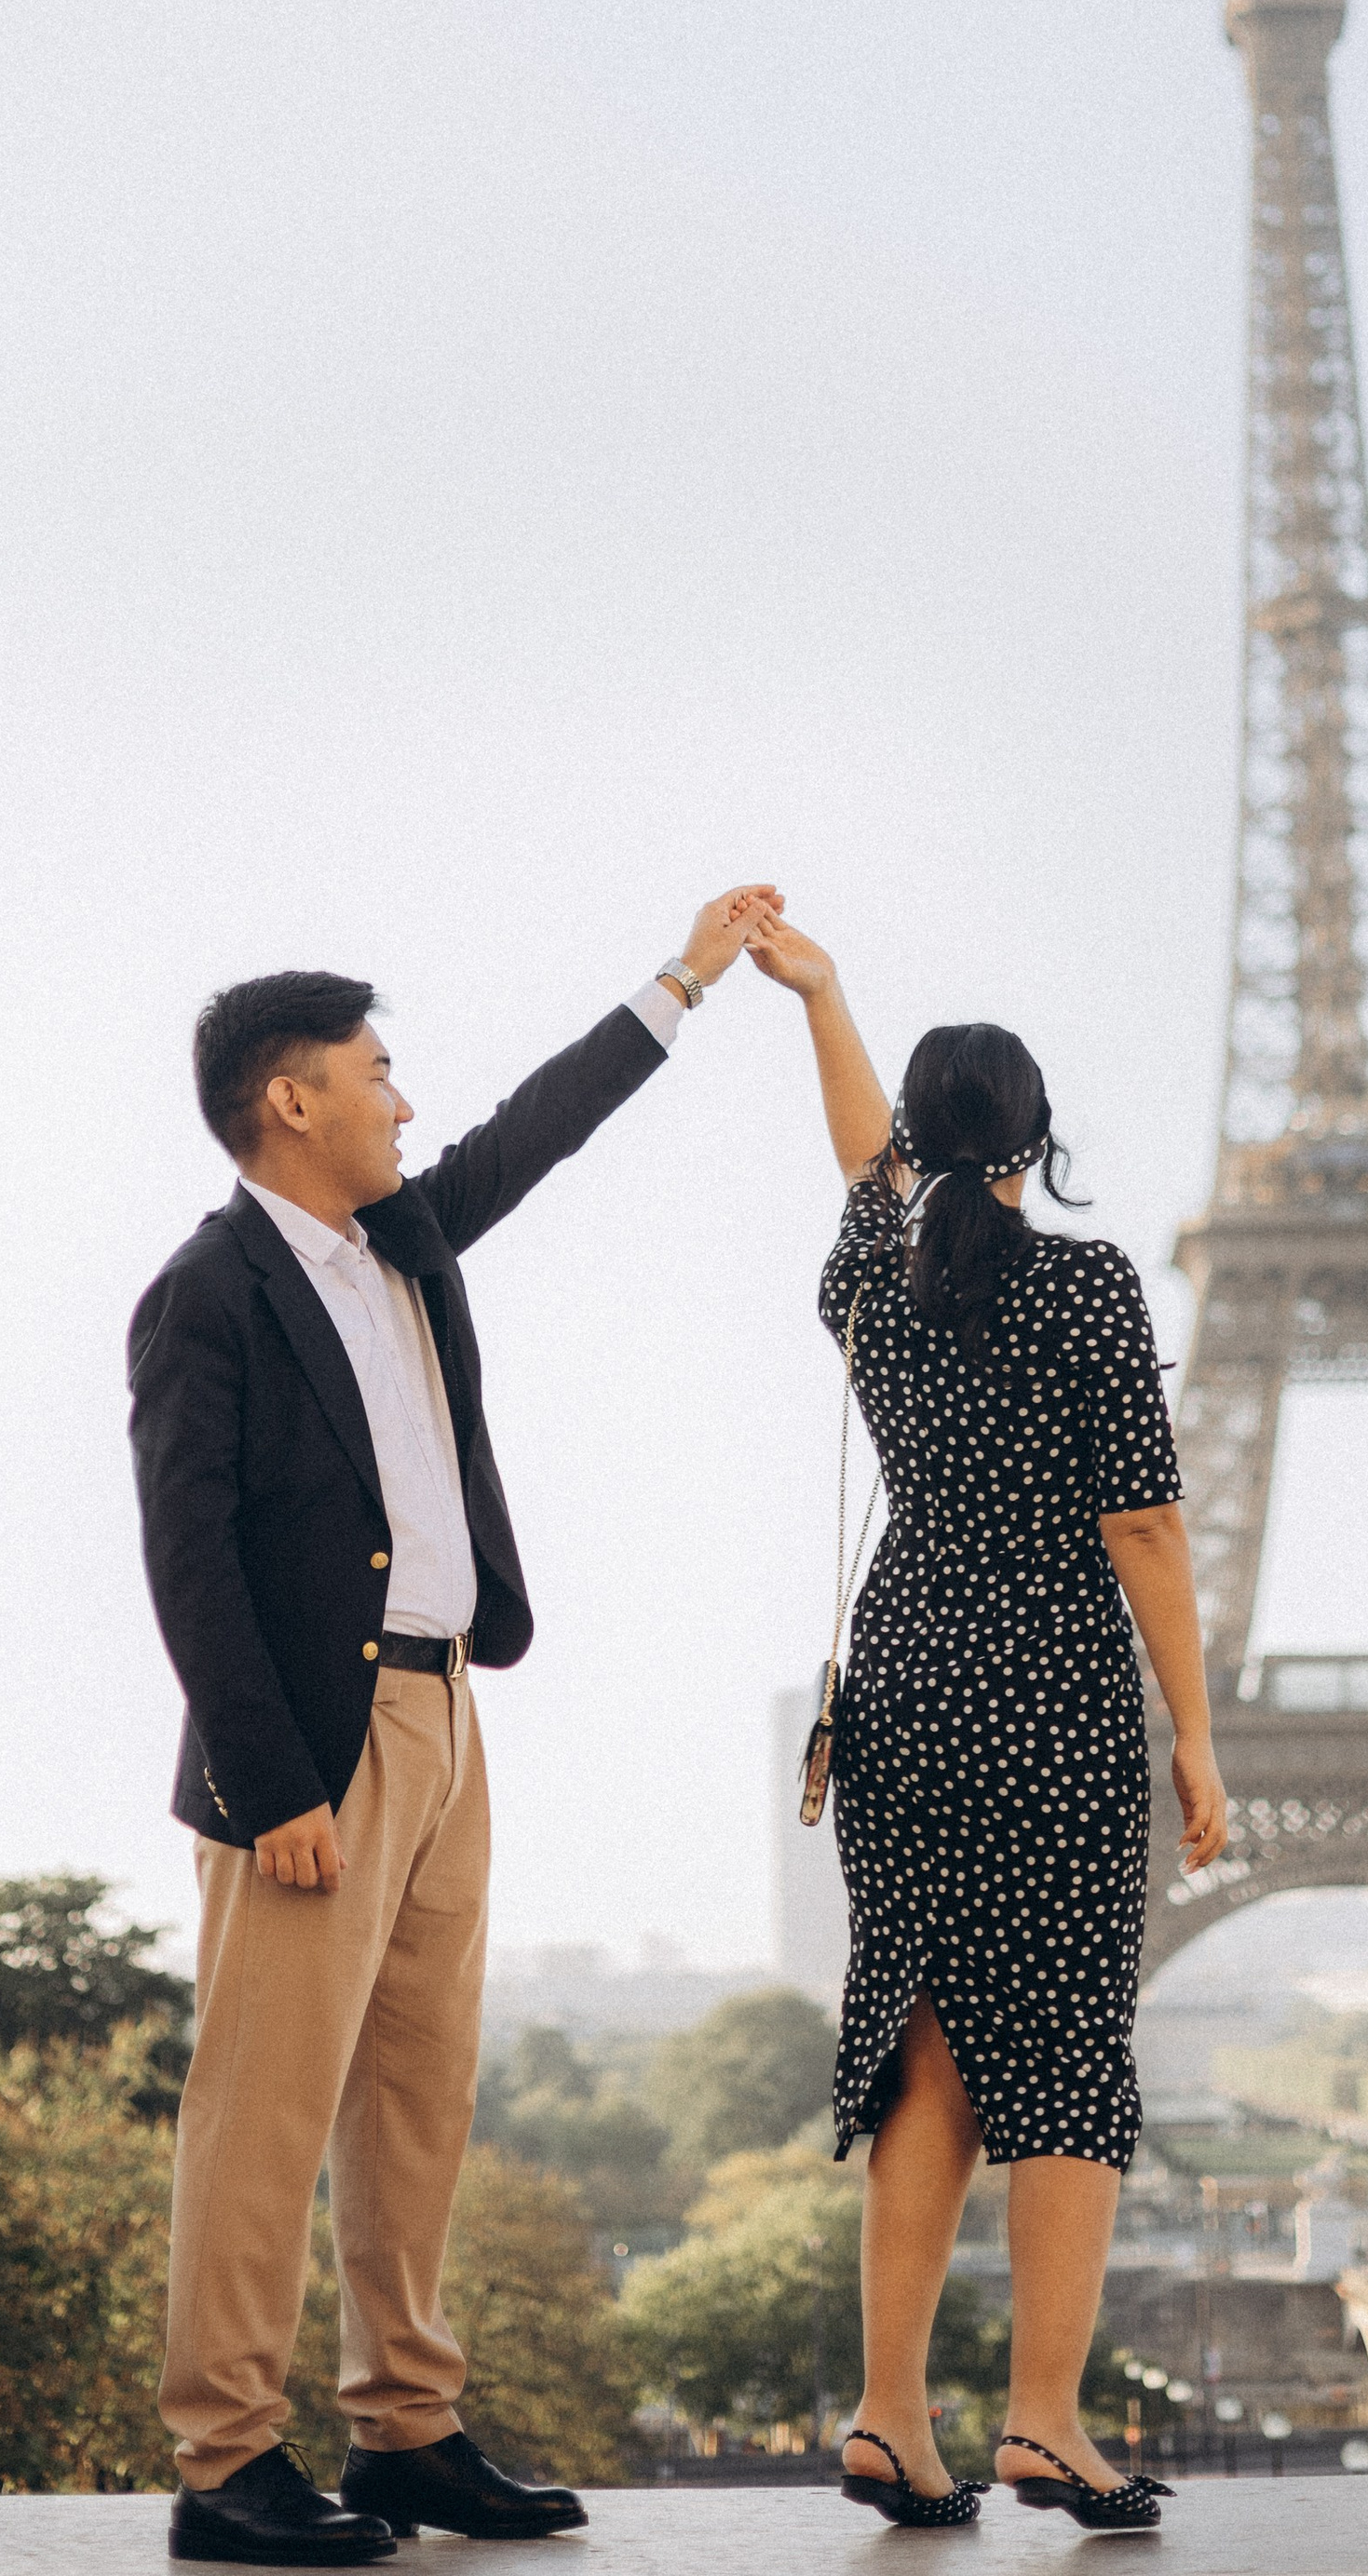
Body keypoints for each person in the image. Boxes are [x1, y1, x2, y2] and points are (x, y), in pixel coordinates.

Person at [129, 891, 775, 2566]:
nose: (405, 1101)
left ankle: (404, 2432)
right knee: (265, 2110)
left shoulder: (406, 1240)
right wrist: (272, 1783)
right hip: (311, 1748)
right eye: (377, 1072)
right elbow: (188, 1560)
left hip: (444, 1707)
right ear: (294, 1101)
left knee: (417, 2095)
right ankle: (225, 2461)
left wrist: (685, 978)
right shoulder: (207, 1294)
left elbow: (534, 1130)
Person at [748, 915, 1228, 2535]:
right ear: (1038, 1137)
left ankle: (890, 2418)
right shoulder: (1087, 1287)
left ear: (917, 1137)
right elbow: (1142, 1527)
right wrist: (1196, 1734)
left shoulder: (871, 1284)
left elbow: (859, 1165)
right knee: (1072, 2049)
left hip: (906, 1680)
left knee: (928, 2043)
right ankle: (1043, 2424)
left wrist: (823, 998)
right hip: (1049, 1686)